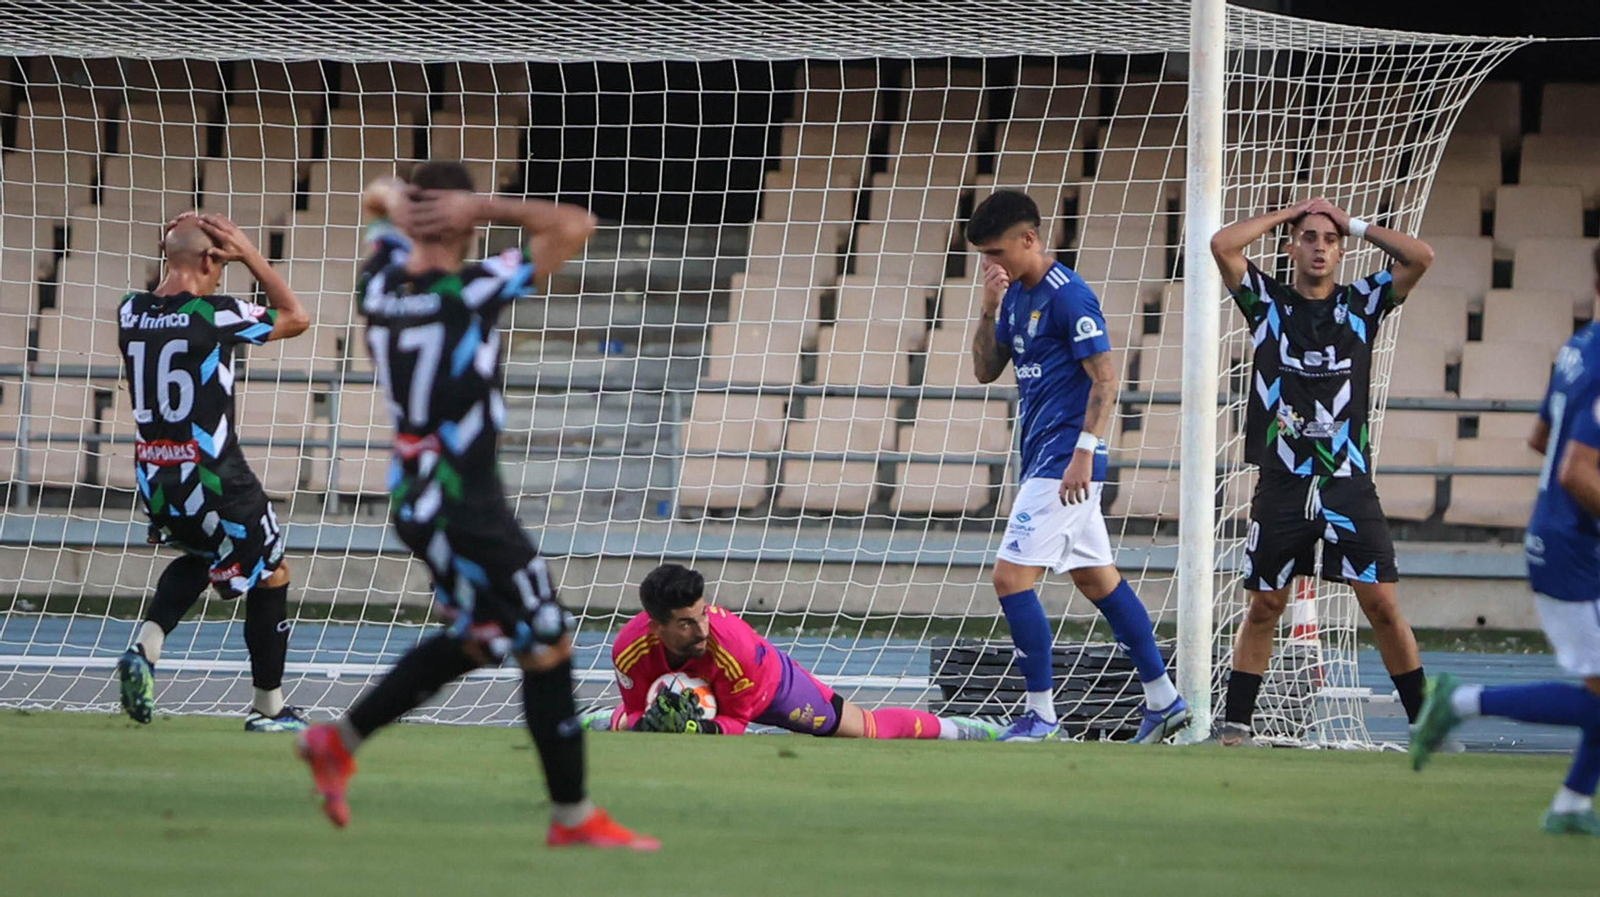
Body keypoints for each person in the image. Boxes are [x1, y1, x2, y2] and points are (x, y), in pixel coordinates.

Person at [294, 163, 656, 850]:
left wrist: (395, 206)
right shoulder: (468, 290)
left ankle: (336, 743)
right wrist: (483, 206)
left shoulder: (381, 286)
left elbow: (374, 197)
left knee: (486, 635)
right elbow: (576, 223)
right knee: (546, 639)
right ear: (458, 219)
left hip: (416, 493)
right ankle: (573, 817)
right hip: (466, 501)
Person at [1208, 197, 1434, 744]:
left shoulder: (1363, 303)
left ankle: (1427, 723)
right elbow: (1223, 245)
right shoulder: (1267, 303)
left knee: (1380, 601)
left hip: (1346, 483)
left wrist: (1349, 221)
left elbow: (1421, 256)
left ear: (1341, 251)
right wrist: (1289, 213)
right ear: (1292, 246)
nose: (1319, 247)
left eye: (1329, 240)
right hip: (1282, 481)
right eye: (1308, 237)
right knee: (1266, 604)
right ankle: (1236, 722)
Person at [965, 189, 1188, 743]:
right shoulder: (1013, 295)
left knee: (1010, 577)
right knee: (1097, 579)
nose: (990, 264)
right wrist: (989, 307)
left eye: (996, 252)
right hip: (1043, 454)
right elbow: (985, 371)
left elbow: (1106, 379)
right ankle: (1164, 699)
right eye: (983, 257)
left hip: (1067, 459)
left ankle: (1041, 716)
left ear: (1030, 239)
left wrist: (1085, 450)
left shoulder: (1070, 298)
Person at [1411, 241, 1600, 836]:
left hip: (1567, 538)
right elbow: (1574, 469)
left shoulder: (1580, 346)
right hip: (1575, 551)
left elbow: (1542, 437)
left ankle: (1572, 804)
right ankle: (1461, 703)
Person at [114, 212, 312, 732]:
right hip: (213, 473)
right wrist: (249, 252)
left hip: (154, 475)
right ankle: (269, 709)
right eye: (221, 263)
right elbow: (296, 316)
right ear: (209, 259)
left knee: (206, 553)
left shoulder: (130, 312)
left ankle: (145, 647)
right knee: (272, 572)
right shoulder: (217, 313)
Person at [582, 563, 1001, 740]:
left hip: (770, 687)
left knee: (864, 728)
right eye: (687, 624)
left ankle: (960, 729)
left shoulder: (734, 648)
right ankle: (598, 721)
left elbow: (735, 722)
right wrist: (641, 725)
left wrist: (703, 730)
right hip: (711, 693)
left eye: (702, 615)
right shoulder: (628, 652)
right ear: (656, 627)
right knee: (635, 725)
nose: (701, 630)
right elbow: (639, 715)